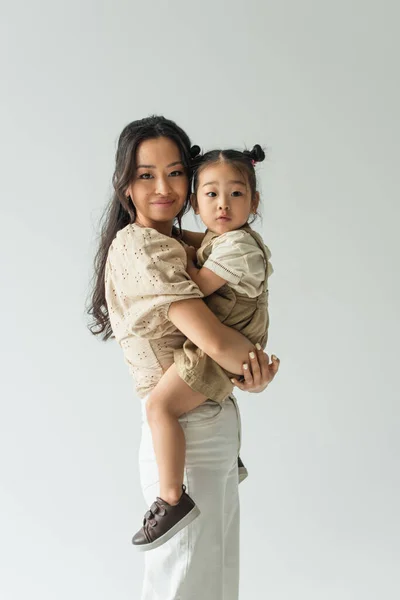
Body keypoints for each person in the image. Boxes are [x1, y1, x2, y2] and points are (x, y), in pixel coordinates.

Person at [88, 115, 280, 600]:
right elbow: (215, 341)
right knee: (186, 584)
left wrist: (249, 373)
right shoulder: (142, 247)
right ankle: (170, 500)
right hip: (187, 434)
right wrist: (256, 365)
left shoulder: (174, 242)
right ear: (125, 185)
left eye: (175, 172)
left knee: (209, 581)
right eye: (146, 174)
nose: (163, 187)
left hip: (209, 422)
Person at [129, 143, 276, 554]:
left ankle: (172, 499)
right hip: (222, 345)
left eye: (236, 194)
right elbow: (194, 239)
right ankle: (230, 459)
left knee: (160, 407)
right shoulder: (224, 238)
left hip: (218, 348)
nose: (223, 205)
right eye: (211, 194)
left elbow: (194, 282)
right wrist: (175, 236)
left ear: (254, 201)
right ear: (196, 200)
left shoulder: (238, 248)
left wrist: (169, 252)